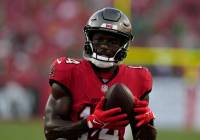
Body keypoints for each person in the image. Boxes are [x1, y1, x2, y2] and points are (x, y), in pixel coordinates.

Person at [44, 7, 157, 140]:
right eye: (99, 39)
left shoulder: (138, 78)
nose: (104, 46)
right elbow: (50, 130)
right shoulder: (69, 71)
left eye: (112, 41)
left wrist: (148, 123)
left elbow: (145, 138)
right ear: (89, 38)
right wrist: (90, 123)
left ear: (124, 45)